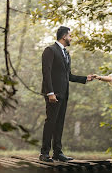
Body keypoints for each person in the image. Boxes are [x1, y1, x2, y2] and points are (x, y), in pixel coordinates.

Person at [40, 26, 94, 163]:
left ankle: (57, 152)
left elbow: (68, 75)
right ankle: (44, 153)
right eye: (70, 36)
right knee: (51, 122)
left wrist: (85, 79)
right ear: (64, 36)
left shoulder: (67, 54)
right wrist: (50, 93)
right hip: (53, 94)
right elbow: (46, 73)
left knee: (59, 123)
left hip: (64, 94)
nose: (71, 38)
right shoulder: (50, 50)